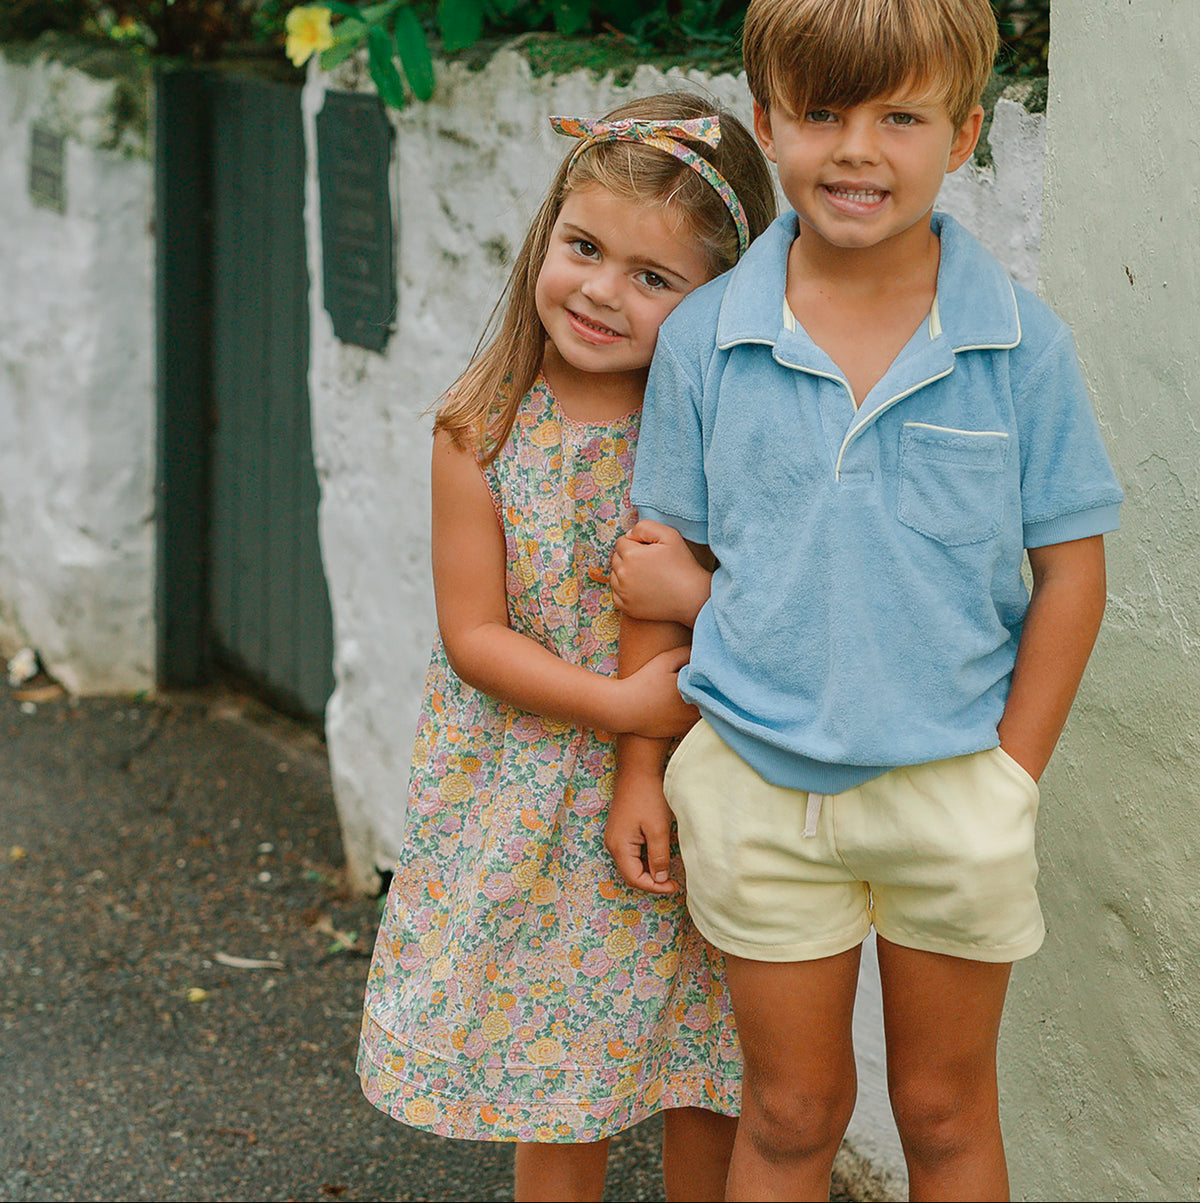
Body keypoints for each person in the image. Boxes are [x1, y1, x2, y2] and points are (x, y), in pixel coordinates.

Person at [605, 2, 1125, 1199]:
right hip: (755, 786)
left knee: (944, 1114)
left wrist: (1010, 778)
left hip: (954, 789)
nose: (858, 149)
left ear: (965, 133)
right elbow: (659, 556)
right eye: (823, 113)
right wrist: (643, 764)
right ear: (767, 123)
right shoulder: (702, 341)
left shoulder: (1020, 347)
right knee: (790, 1113)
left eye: (901, 117)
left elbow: (1071, 576)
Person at [357, 91, 778, 1202]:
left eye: (655, 278)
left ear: (719, 298)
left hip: (705, 781)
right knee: (559, 1072)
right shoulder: (481, 425)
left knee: (714, 1053)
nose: (601, 291)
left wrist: (660, 728)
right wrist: (625, 710)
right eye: (585, 247)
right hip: (530, 793)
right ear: (547, 232)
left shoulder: (719, 430)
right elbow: (474, 636)